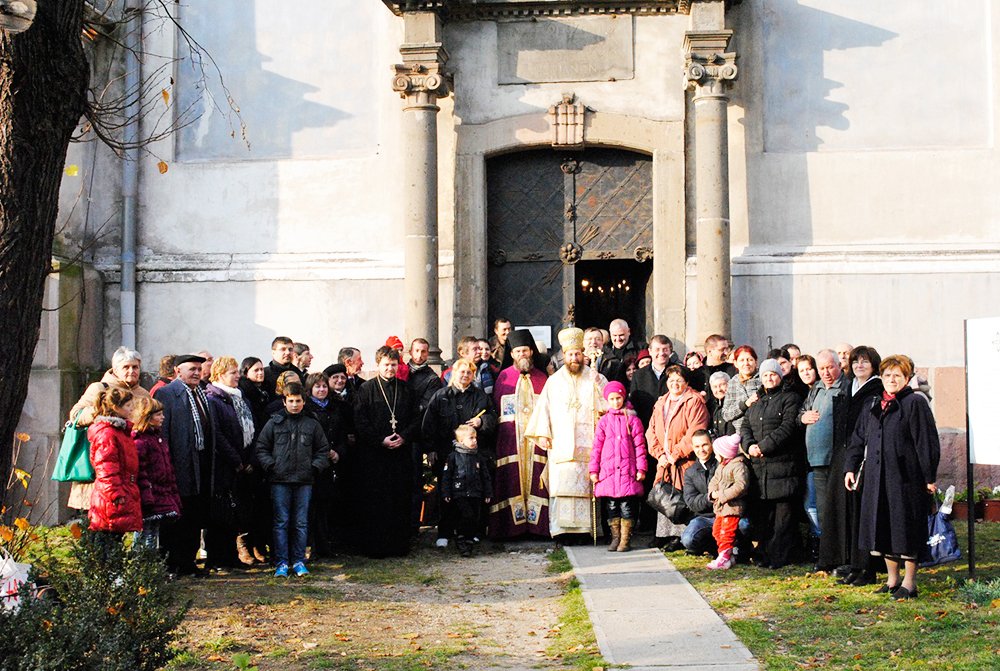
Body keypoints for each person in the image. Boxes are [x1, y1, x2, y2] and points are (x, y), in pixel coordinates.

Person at [844, 355, 940, 600]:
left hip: (906, 480)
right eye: (887, 375)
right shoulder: (874, 404)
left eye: (897, 375)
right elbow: (857, 439)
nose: (891, 380)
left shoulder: (914, 403)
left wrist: (929, 477)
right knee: (883, 528)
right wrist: (850, 468)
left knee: (905, 529)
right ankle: (892, 580)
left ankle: (909, 583)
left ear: (907, 379)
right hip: (877, 480)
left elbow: (926, 442)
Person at [525, 327, 608, 540]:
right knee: (562, 487)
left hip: (589, 445)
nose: (574, 358)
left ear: (583, 354)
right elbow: (544, 408)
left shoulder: (595, 378)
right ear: (564, 355)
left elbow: (608, 405)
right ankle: (562, 531)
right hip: (561, 445)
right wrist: (543, 433)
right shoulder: (554, 381)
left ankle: (587, 531)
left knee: (586, 489)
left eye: (577, 353)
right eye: (570, 354)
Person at [822, 346, 883, 586]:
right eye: (856, 362)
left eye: (865, 362)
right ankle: (853, 563)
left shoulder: (875, 391)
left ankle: (866, 566)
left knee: (862, 513)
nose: (859, 366)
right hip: (847, 455)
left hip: (865, 457)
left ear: (874, 365)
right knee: (848, 511)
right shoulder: (851, 387)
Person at [255, 382, 330, 577]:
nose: (294, 405)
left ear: (304, 402)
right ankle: (281, 562)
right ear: (284, 401)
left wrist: (314, 467)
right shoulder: (274, 422)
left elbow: (322, 449)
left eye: (298, 401)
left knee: (301, 522)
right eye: (291, 401)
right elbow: (261, 447)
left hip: (304, 481)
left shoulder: (312, 424)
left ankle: (298, 560)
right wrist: (271, 465)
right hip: (280, 481)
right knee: (281, 522)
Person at [353, 346, 421, 557]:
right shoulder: (366, 390)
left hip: (400, 454)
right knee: (376, 500)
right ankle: (376, 547)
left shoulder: (407, 389)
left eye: (394, 364)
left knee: (399, 498)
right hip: (375, 455)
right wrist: (380, 440)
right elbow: (360, 421)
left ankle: (399, 546)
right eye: (386, 364)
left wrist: (405, 437)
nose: (390, 368)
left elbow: (416, 419)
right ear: (378, 365)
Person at [422, 358, 497, 548]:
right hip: (447, 454)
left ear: (473, 375)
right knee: (447, 494)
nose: (465, 375)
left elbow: (493, 417)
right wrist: (430, 448)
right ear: (453, 373)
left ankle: (474, 532)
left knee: (473, 496)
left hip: (473, 456)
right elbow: (429, 424)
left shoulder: (480, 396)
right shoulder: (441, 396)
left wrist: (482, 422)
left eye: (469, 372)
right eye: (462, 372)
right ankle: (445, 532)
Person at [67, 346, 150, 512]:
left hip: (133, 465)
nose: (131, 371)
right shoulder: (100, 388)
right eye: (126, 367)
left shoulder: (144, 394)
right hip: (102, 463)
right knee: (97, 525)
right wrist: (106, 411)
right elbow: (76, 415)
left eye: (135, 367)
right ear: (115, 369)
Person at [154, 353, 214, 576]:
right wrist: (166, 466)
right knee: (175, 517)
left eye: (200, 369)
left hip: (200, 463)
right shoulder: (166, 394)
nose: (197, 373)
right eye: (192, 369)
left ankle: (189, 561)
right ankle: (172, 563)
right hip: (178, 464)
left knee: (194, 515)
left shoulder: (201, 393)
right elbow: (163, 432)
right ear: (178, 371)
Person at [741, 358, 804, 569]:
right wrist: (749, 445)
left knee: (783, 519)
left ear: (780, 376)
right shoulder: (757, 402)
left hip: (783, 468)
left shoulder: (790, 398)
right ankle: (765, 554)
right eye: (766, 374)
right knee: (765, 518)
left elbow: (788, 427)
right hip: (761, 471)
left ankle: (780, 557)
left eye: (773, 374)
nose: (769, 378)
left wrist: (763, 447)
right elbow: (745, 427)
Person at [490, 329, 551, 540]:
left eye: (525, 350)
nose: (522, 355)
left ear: (532, 351)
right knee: (511, 480)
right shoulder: (503, 377)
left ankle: (537, 528)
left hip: (537, 442)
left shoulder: (543, 378)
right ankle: (511, 529)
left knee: (538, 480)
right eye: (517, 351)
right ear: (512, 354)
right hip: (509, 441)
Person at [645, 365, 710, 550]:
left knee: (681, 498)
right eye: (671, 380)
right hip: (664, 461)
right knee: (665, 497)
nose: (675, 384)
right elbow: (651, 432)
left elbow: (695, 431)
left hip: (683, 460)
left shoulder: (693, 401)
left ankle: (681, 537)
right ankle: (664, 535)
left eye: (679, 380)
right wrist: (659, 454)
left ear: (686, 382)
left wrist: (675, 454)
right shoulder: (661, 403)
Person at [204, 356, 253, 571]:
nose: (238, 376)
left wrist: (248, 460)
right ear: (220, 375)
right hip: (224, 466)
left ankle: (231, 557)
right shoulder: (214, 400)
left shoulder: (239, 399)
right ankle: (217, 559)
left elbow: (250, 429)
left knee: (234, 514)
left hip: (240, 465)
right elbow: (218, 435)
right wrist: (236, 460)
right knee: (220, 514)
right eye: (233, 372)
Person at [798, 349, 845, 564]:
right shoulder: (815, 389)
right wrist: (803, 417)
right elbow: (802, 412)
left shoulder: (844, 387)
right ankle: (828, 556)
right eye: (822, 368)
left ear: (839, 366)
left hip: (835, 460)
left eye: (830, 367)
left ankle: (838, 556)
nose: (826, 372)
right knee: (823, 511)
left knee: (836, 511)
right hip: (816, 460)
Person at [589, 381, 648, 552]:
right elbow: (597, 447)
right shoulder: (604, 422)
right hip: (608, 472)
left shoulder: (633, 420)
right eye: (612, 399)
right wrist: (594, 470)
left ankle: (625, 539)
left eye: (618, 398)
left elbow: (640, 446)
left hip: (627, 471)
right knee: (612, 506)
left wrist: (641, 468)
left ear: (623, 397)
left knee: (627, 506)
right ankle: (615, 537)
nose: (616, 402)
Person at [87, 387, 142, 559]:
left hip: (121, 489)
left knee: (114, 537)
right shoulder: (108, 433)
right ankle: (106, 576)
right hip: (112, 494)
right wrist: (116, 493)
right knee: (107, 537)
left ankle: (110, 574)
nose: (132, 409)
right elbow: (106, 467)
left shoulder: (119, 431)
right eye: (128, 405)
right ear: (115, 407)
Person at [302, 372, 344, 558]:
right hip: (313, 465)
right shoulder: (306, 409)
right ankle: (310, 546)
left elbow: (342, 434)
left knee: (326, 506)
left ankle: (324, 545)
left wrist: (338, 452)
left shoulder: (334, 408)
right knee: (311, 507)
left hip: (331, 464)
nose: (322, 389)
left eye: (324, 386)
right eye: (317, 386)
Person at [132, 397, 181, 551]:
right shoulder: (141, 441)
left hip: (160, 493)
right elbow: (141, 472)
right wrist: (147, 497)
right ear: (147, 416)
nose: (163, 418)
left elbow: (168, 468)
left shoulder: (158, 439)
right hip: (150, 495)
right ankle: (142, 567)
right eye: (158, 415)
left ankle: (151, 567)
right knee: (144, 534)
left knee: (154, 533)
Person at [406, 338, 444, 536]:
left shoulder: (431, 378)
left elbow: (427, 408)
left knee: (414, 481)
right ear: (410, 351)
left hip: (417, 435)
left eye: (424, 351)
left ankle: (413, 526)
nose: (420, 355)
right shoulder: (402, 372)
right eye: (417, 351)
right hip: (398, 432)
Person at [441, 425, 493, 557]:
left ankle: (469, 541)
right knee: (466, 515)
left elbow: (485, 476)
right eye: (471, 438)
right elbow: (447, 476)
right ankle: (461, 538)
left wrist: (487, 492)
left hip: (475, 493)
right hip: (460, 493)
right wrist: (446, 492)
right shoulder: (453, 457)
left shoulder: (478, 457)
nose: (475, 441)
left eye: (475, 438)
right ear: (461, 441)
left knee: (474, 517)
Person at [238, 356, 271, 563]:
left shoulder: (263, 392)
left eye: (261, 370)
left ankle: (259, 544)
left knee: (261, 504)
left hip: (262, 450)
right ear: (246, 372)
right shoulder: (244, 393)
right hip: (248, 453)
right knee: (245, 505)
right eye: (255, 370)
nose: (260, 373)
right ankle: (245, 546)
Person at [706, 433, 750, 570]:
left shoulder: (738, 466)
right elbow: (714, 480)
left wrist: (724, 495)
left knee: (727, 532)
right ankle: (726, 554)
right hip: (721, 507)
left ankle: (724, 557)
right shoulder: (721, 466)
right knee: (716, 530)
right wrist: (713, 493)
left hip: (732, 507)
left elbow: (741, 485)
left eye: (716, 453)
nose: (714, 456)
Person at [680, 430, 718, 556]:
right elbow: (691, 502)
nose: (701, 449)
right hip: (703, 518)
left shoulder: (721, 464)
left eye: (704, 445)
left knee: (745, 525)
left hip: (726, 514)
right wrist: (710, 497)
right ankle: (711, 546)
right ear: (692, 447)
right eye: (697, 446)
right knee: (687, 539)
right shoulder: (690, 472)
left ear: (711, 444)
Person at [721, 345, 761, 435]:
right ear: (735, 363)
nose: (746, 363)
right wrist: (744, 404)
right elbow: (726, 414)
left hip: (761, 431)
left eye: (750, 360)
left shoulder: (763, 379)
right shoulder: (733, 382)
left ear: (756, 362)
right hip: (741, 434)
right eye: (742, 360)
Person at [601, 319, 645, 384]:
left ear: (629, 332)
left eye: (621, 335)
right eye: (614, 335)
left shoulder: (641, 348)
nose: (618, 339)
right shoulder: (604, 351)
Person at [697, 334, 736, 403]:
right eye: (722, 350)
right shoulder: (697, 374)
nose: (726, 353)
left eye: (727, 349)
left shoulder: (733, 370)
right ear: (709, 351)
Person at [709, 371, 735, 438]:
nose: (719, 389)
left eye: (722, 385)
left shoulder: (735, 402)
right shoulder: (710, 405)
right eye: (715, 386)